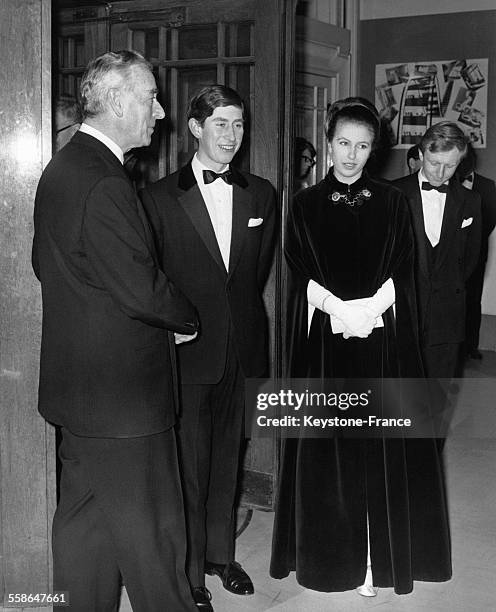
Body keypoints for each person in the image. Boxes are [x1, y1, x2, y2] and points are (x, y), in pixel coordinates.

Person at [32, 50, 199, 612]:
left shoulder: (64, 167)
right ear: (120, 101)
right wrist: (188, 318)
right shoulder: (103, 181)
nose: (160, 110)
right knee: (156, 538)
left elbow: (49, 266)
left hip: (81, 395)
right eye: (151, 96)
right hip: (125, 401)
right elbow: (142, 289)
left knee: (85, 534)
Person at [270, 97, 452, 596]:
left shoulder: (392, 202)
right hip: (326, 345)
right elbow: (299, 270)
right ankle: (332, 560)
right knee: (331, 452)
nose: (351, 155)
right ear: (329, 144)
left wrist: (369, 311)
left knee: (377, 449)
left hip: (380, 342)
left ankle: (375, 562)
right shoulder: (303, 205)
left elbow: (402, 269)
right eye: (344, 144)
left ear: (375, 150)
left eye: (363, 146)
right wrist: (336, 308)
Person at [140, 84, 276, 611]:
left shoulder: (261, 193)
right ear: (195, 128)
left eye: (239, 125)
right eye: (220, 123)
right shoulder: (157, 197)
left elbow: (253, 273)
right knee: (190, 466)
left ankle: (222, 555)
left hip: (243, 348)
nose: (232, 135)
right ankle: (191, 572)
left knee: (229, 458)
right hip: (188, 350)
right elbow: (153, 277)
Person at [394, 122, 481, 378]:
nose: (441, 173)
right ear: (420, 155)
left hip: (447, 317)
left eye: (451, 165)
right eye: (434, 163)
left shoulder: (471, 202)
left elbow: (470, 260)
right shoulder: (392, 193)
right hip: (402, 314)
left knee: (437, 403)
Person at [456, 144, 496, 360]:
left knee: (473, 299)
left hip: (478, 253)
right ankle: (453, 345)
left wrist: (472, 240)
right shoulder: (449, 181)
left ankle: (471, 346)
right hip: (450, 254)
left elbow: (491, 219)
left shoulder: (488, 185)